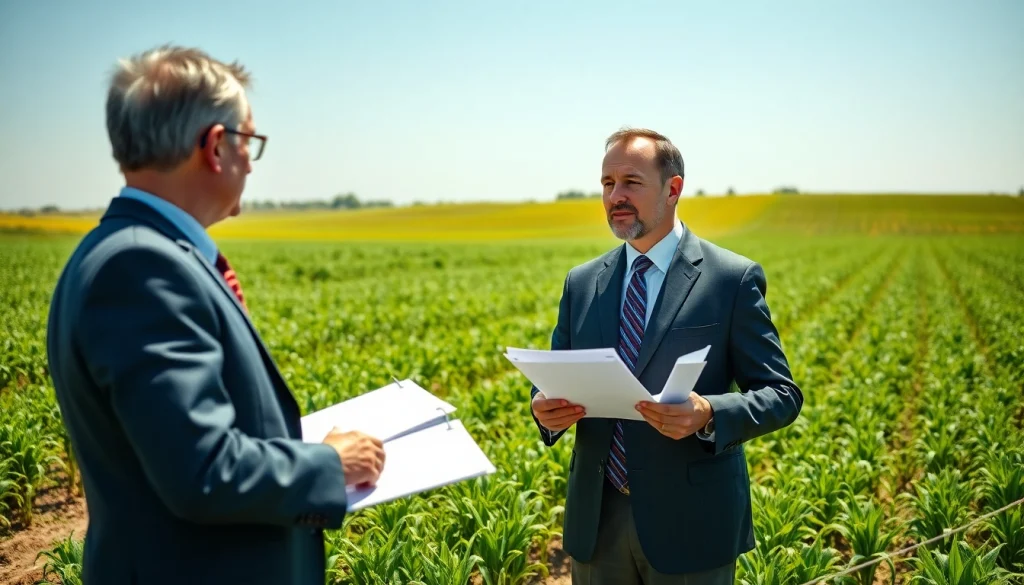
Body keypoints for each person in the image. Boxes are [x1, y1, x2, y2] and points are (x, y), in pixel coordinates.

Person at [45, 45, 385, 584]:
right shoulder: (141, 267)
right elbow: (201, 470)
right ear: (215, 146)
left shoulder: (121, 251)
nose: (251, 162)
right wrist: (329, 463)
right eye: (249, 142)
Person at [530, 128, 803, 584]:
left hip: (692, 525)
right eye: (607, 184)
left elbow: (781, 394)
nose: (615, 196)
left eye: (631, 182)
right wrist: (545, 408)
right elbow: (555, 377)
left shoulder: (729, 280)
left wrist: (710, 412)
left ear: (673, 188)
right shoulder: (581, 282)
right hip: (598, 522)